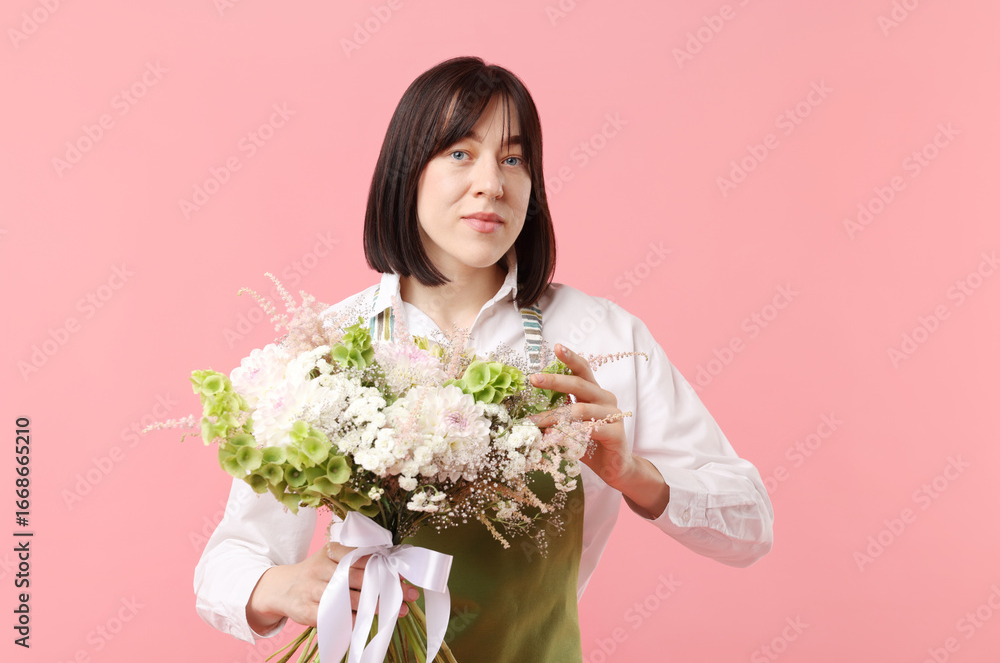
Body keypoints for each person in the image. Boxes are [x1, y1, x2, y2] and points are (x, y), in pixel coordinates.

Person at [194, 56, 774, 661]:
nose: (492, 183)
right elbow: (227, 562)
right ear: (407, 171)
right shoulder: (329, 344)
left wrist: (632, 474)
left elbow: (751, 525)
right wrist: (282, 586)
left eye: (514, 159)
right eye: (460, 153)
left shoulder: (602, 337)